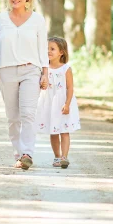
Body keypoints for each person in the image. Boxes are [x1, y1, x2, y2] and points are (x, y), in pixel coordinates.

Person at [0, 0, 48, 170]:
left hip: (31, 70)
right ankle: (18, 153)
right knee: (13, 117)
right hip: (7, 71)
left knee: (28, 114)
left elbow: (43, 48)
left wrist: (45, 73)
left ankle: (27, 152)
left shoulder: (37, 19)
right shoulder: (0, 19)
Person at [35, 37, 80, 169]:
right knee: (53, 131)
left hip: (62, 102)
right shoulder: (44, 69)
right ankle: (57, 156)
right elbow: (41, 86)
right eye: (47, 49)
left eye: (52, 49)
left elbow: (70, 88)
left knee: (64, 131)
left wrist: (67, 104)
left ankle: (64, 157)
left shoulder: (66, 68)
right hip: (49, 102)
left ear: (61, 52)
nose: (48, 51)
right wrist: (42, 84)